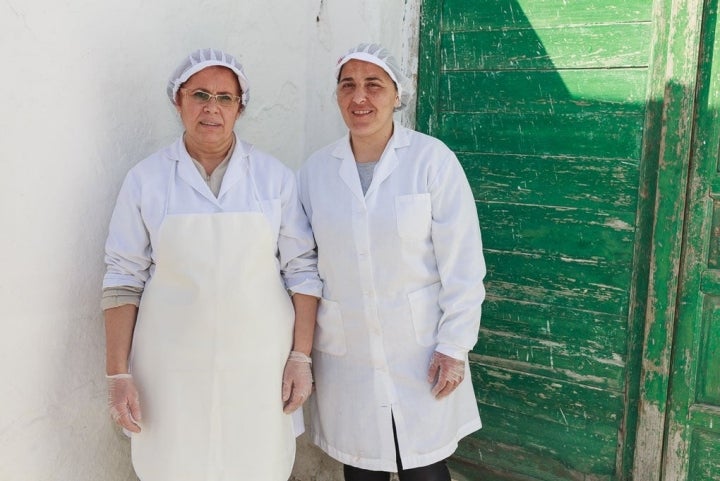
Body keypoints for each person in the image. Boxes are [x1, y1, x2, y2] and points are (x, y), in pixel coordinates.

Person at [102, 48, 321, 481]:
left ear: (240, 107)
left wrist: (300, 356)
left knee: (255, 464)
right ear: (178, 101)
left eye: (225, 97)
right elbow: (122, 279)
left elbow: (303, 272)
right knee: (173, 463)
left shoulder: (274, 178)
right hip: (169, 367)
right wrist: (118, 374)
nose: (211, 108)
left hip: (258, 364)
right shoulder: (145, 180)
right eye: (200, 94)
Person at [296, 43, 486, 481]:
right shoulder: (315, 172)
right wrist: (302, 354)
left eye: (373, 85)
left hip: (420, 351)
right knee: (361, 468)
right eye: (348, 85)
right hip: (349, 355)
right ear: (338, 96)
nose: (359, 97)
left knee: (425, 467)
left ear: (397, 95)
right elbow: (303, 266)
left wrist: (454, 346)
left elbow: (463, 262)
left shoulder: (431, 161)